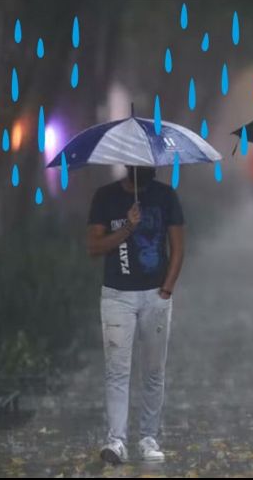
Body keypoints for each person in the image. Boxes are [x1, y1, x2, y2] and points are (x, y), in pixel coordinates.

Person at [86, 166, 185, 464]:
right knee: (117, 370)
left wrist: (166, 289)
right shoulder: (105, 197)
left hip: (155, 294)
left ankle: (148, 437)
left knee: (153, 371)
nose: (146, 169)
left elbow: (178, 247)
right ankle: (116, 441)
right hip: (117, 296)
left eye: (150, 163)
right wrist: (127, 228)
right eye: (139, 164)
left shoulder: (166, 196)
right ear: (128, 166)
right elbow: (94, 247)